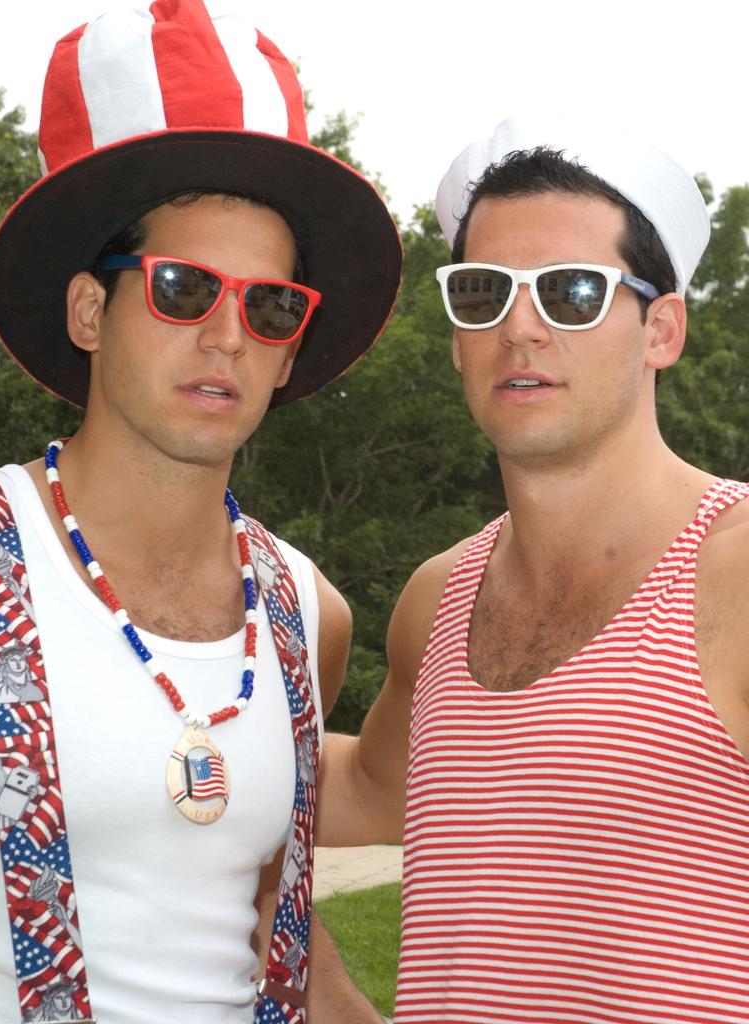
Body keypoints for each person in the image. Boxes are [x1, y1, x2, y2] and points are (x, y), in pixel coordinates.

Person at [0, 2, 401, 1022]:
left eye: (267, 306)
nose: (226, 338)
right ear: (91, 309)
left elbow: (265, 923)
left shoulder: (309, 613)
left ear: (291, 347)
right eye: (181, 287)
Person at [316, 116, 749, 1022]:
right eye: (482, 294)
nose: (521, 329)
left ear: (661, 330)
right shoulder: (435, 600)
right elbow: (365, 789)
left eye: (573, 292)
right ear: (456, 341)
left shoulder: (736, 574)